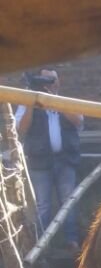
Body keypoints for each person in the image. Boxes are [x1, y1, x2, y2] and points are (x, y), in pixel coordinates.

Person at [15, 68, 84, 253]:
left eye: (52, 79)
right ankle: (41, 245)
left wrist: (55, 101)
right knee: (42, 205)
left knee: (69, 201)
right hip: (40, 162)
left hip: (65, 160)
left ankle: (71, 241)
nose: (50, 83)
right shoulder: (27, 102)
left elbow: (78, 121)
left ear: (59, 82)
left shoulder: (66, 101)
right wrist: (32, 101)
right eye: (45, 80)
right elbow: (21, 129)